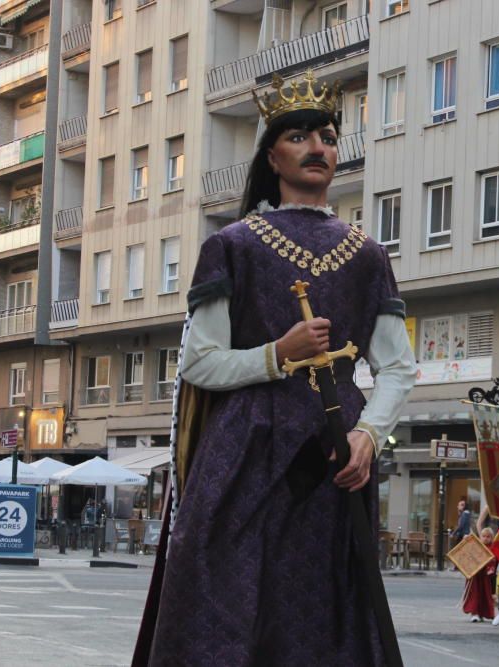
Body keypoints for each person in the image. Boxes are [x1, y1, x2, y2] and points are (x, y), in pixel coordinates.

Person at [134, 69, 417, 666]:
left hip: (334, 457)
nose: (318, 148)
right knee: (228, 607)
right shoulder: (232, 245)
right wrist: (277, 354)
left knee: (324, 619)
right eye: (300, 137)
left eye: (329, 137)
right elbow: (198, 363)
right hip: (244, 455)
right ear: (272, 156)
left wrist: (370, 436)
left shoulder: (369, 255)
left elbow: (397, 367)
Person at [460, 527, 497, 622]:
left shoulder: (493, 547)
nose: (485, 538)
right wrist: (466, 540)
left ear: (492, 538)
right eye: (483, 536)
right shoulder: (476, 545)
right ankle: (474, 613)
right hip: (475, 575)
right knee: (474, 594)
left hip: (486, 577)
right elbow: (467, 553)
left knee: (485, 595)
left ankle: (483, 613)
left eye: (488, 536)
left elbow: (494, 561)